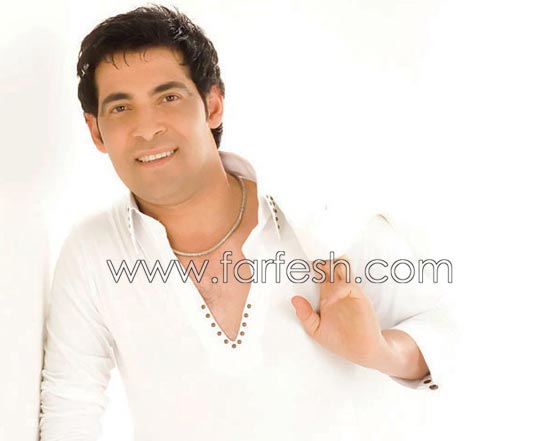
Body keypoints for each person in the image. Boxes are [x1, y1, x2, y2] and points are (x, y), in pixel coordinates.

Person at [39, 5, 456, 440]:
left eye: (168, 98)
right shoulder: (92, 252)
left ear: (213, 105)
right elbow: (70, 405)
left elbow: (448, 326)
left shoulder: (318, 215)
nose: (146, 129)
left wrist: (380, 351)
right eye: (121, 107)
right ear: (96, 131)